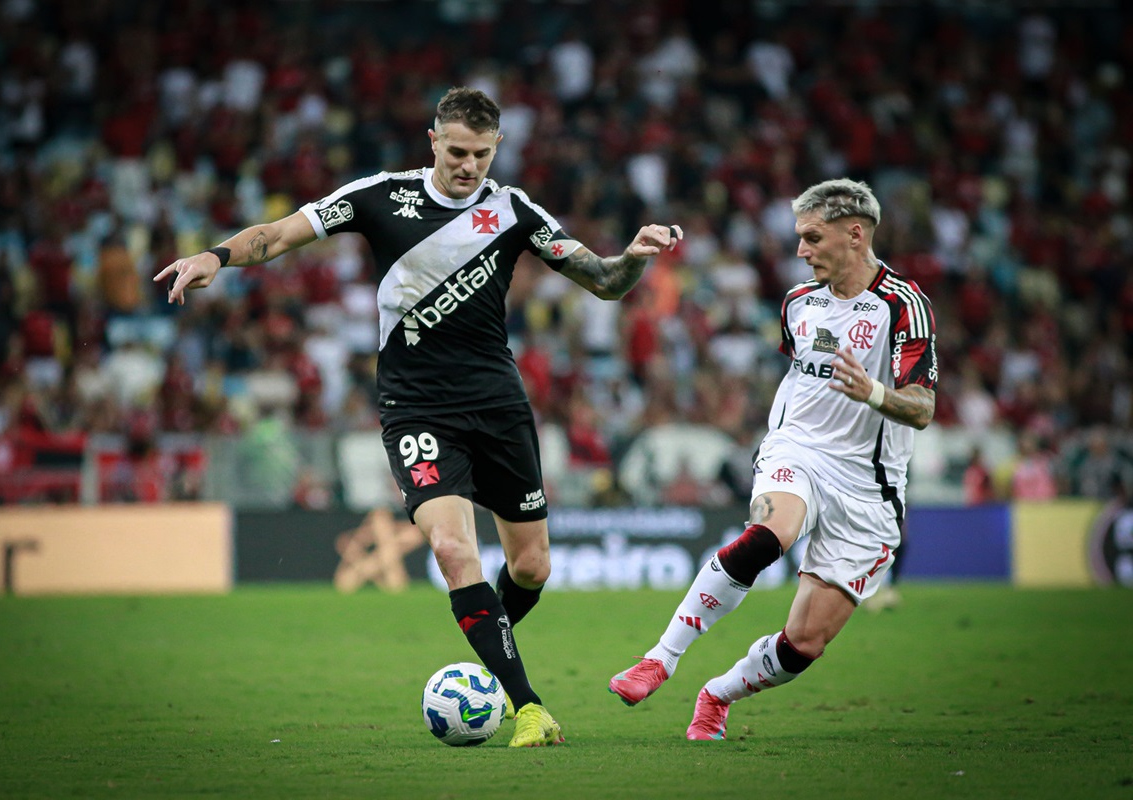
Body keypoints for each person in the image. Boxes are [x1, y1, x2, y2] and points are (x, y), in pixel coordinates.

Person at [155, 87, 683, 747]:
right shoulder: (380, 196)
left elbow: (603, 280)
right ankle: (527, 707)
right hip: (416, 408)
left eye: (481, 155)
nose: (468, 166)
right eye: (457, 151)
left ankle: (490, 645)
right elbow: (279, 234)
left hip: (497, 405)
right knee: (453, 549)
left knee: (533, 567)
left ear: (497, 150)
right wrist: (215, 256)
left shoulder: (513, 210)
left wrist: (634, 257)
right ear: (433, 141)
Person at [607, 178, 936, 740]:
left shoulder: (903, 306)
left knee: (805, 642)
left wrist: (875, 393)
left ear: (855, 234)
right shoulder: (796, 303)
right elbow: (810, 361)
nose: (801, 251)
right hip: (797, 449)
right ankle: (660, 658)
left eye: (812, 238)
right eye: (799, 238)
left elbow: (923, 406)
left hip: (869, 486)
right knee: (770, 534)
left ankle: (718, 694)